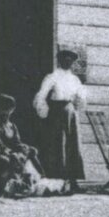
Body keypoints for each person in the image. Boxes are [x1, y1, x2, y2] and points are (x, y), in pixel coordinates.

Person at [32, 46, 88, 193]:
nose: (68, 61)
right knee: (58, 145)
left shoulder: (75, 79)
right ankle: (59, 182)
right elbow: (41, 96)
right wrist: (44, 112)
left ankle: (73, 180)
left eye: (71, 59)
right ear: (59, 60)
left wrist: (78, 106)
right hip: (57, 114)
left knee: (73, 145)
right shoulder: (52, 77)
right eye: (65, 58)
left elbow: (81, 97)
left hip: (70, 112)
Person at [0, 91, 44, 196]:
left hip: (8, 153)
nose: (7, 113)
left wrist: (25, 147)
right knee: (14, 158)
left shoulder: (12, 126)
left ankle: (40, 179)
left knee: (30, 152)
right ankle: (12, 185)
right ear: (0, 109)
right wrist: (8, 151)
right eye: (5, 109)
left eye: (10, 110)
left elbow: (16, 142)